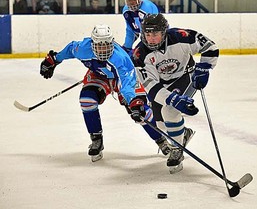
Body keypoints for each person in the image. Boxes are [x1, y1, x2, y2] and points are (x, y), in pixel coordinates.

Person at [39, 24, 175, 162]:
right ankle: (96, 139)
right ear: (92, 44)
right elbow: (70, 49)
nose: (103, 49)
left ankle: (161, 139)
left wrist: (133, 101)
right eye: (99, 45)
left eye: (106, 45)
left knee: (141, 112)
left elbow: (126, 84)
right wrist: (54, 59)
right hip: (99, 76)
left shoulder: (120, 59)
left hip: (120, 80)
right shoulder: (83, 49)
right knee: (87, 101)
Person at [131, 14, 219, 174]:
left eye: (155, 34)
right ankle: (183, 134)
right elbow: (150, 85)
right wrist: (172, 98)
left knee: (170, 111)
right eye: (147, 34)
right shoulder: (139, 54)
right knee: (162, 127)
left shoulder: (182, 37)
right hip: (160, 85)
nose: (150, 39)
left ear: (164, 32)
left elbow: (210, 47)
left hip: (186, 76)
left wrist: (204, 67)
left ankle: (176, 149)